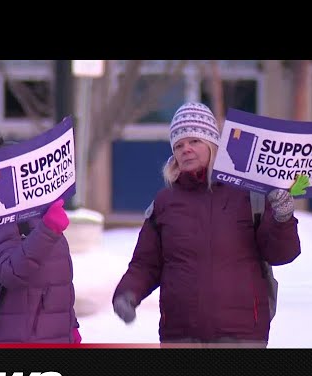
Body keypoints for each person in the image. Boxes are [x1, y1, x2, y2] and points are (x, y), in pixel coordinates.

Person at [112, 102, 301, 347]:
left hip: (241, 335)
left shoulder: (248, 194)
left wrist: (283, 216)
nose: (186, 150)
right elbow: (145, 263)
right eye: (179, 145)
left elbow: (281, 253)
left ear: (213, 144)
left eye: (194, 141)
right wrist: (127, 294)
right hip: (180, 334)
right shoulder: (165, 202)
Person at [0, 132, 81, 344]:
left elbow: (57, 281)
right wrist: (48, 230)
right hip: (13, 338)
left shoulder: (39, 216)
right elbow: (11, 273)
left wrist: (70, 326)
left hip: (50, 337)